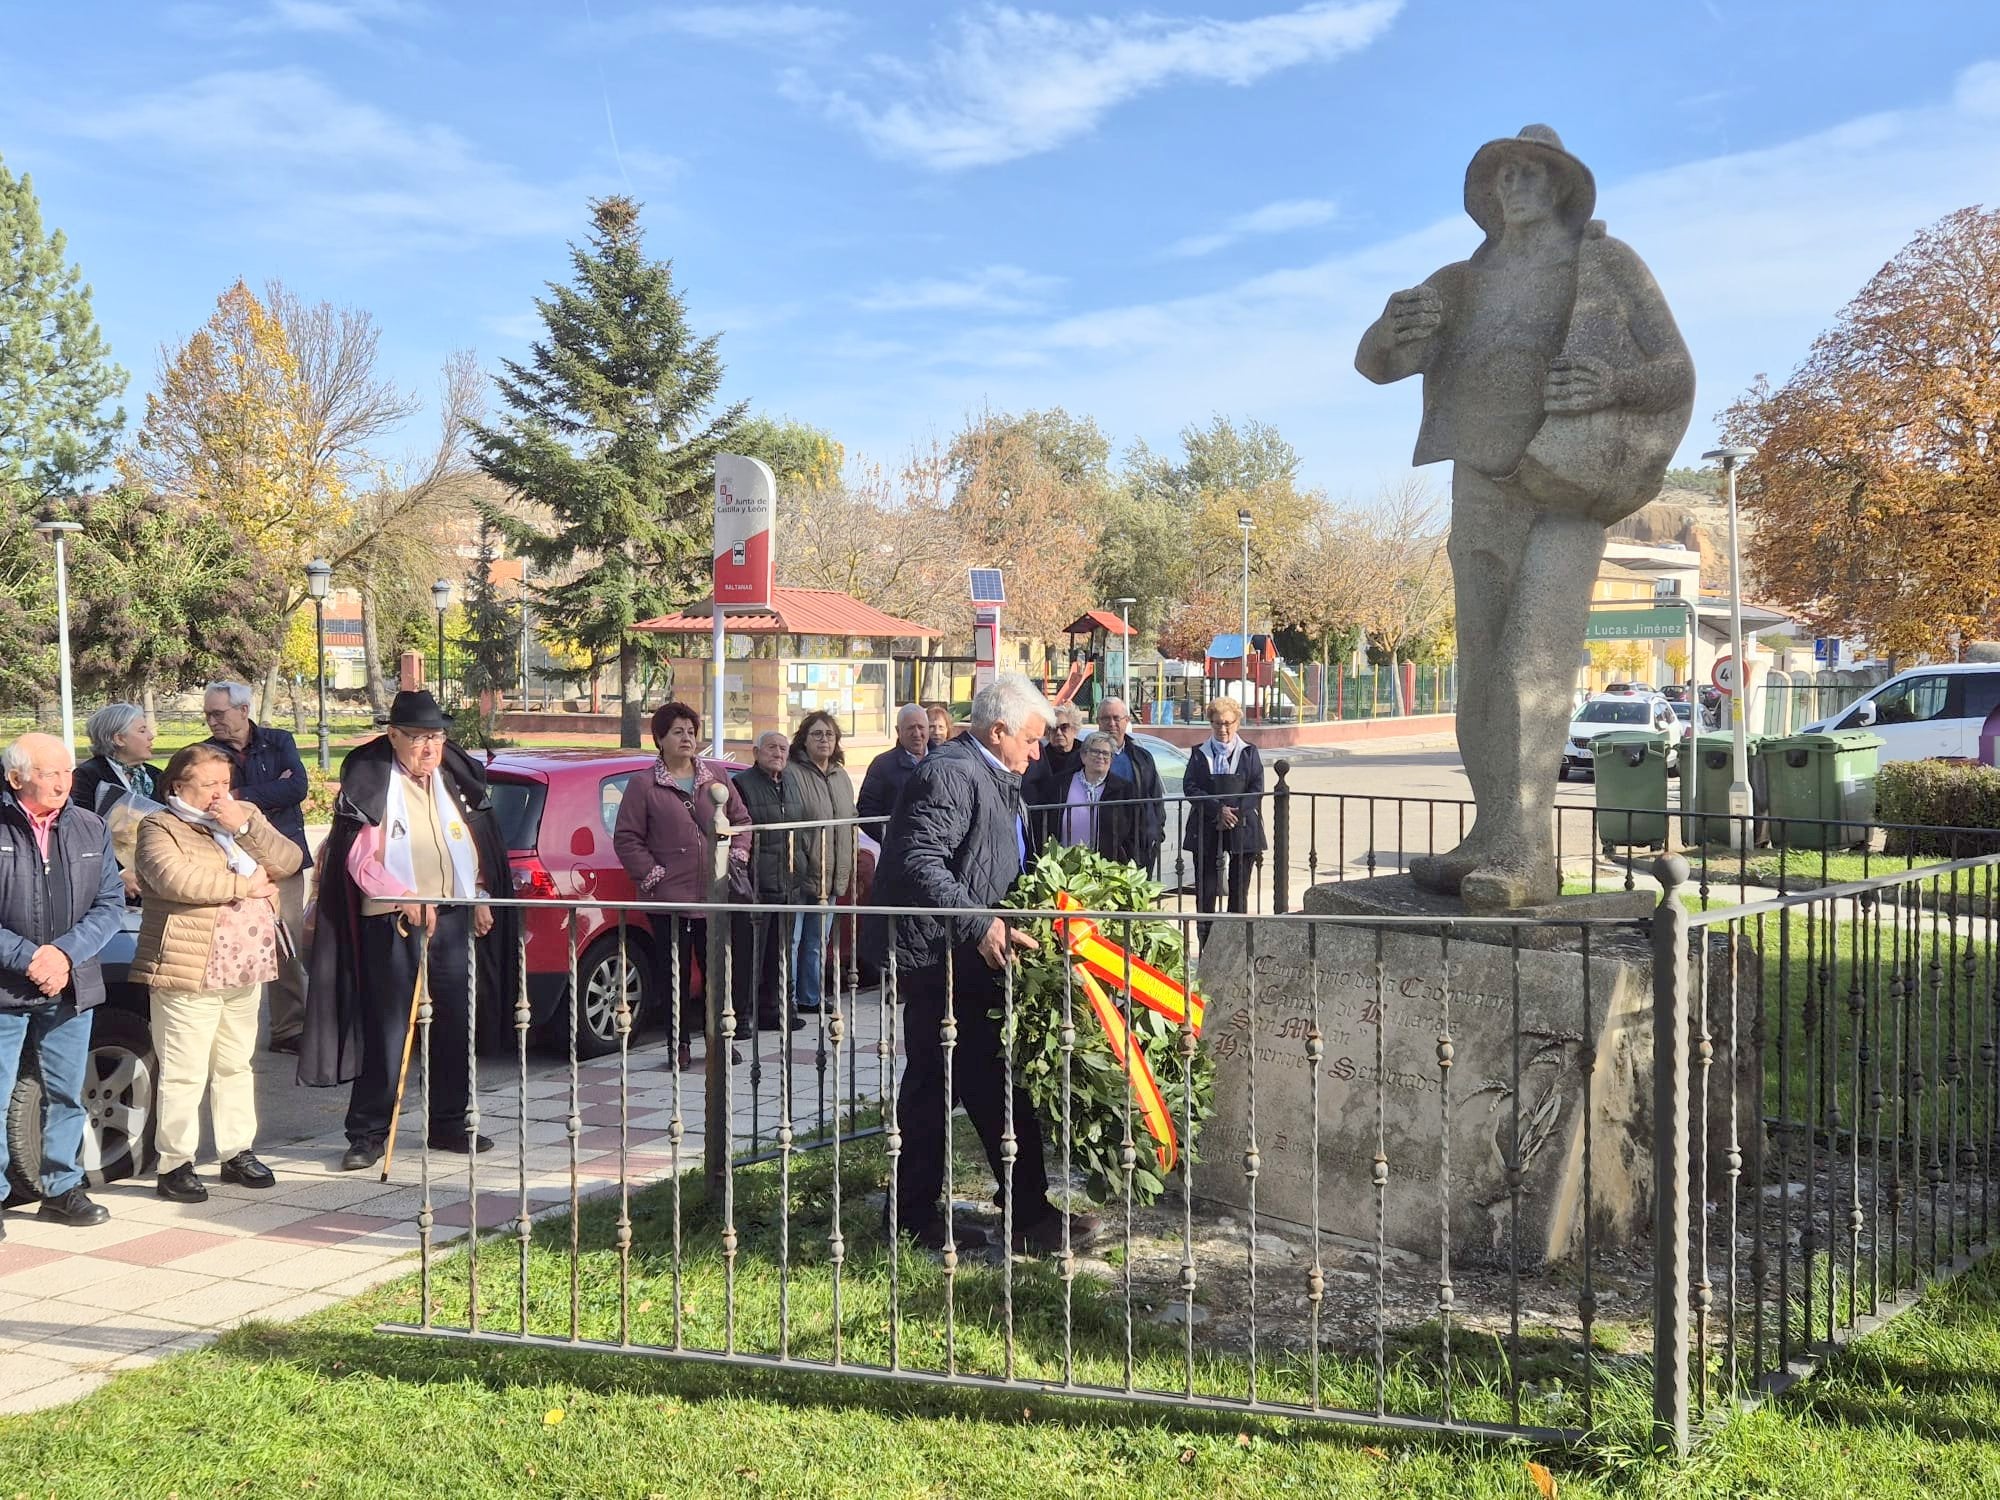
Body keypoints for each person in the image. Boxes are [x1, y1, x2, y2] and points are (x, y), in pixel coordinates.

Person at [1355, 125, 1692, 908]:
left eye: (1535, 172)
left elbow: (1675, 369)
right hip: (1478, 489)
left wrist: (1612, 384)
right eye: (1505, 173)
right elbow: (1376, 364)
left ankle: (1527, 850)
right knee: (1477, 678)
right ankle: (1490, 832)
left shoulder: (1605, 265)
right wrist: (1388, 328)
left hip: (1566, 489)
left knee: (1526, 669)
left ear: (1564, 186)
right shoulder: (1460, 282)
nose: (1518, 184)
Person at [865, 673, 1098, 1256]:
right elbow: (920, 860)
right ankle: (997, 1218)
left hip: (969, 956)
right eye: (1031, 739)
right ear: (998, 732)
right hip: (940, 959)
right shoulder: (949, 772)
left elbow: (995, 858)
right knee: (956, 1087)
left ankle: (959, 1215)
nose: (1038, 751)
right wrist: (982, 922)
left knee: (967, 1087)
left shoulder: (995, 773)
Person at [301, 691, 516, 1172]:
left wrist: (478, 893)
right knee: (389, 1028)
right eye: (418, 738)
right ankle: (368, 1132)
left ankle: (449, 1123)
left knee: (455, 1021)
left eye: (436, 737)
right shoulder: (371, 784)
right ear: (393, 736)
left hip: (453, 916)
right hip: (394, 921)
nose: (428, 748)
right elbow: (358, 860)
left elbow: (474, 844)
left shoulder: (452, 781)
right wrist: (406, 897)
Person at [130, 744, 301, 1202]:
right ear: (177, 785)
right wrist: (245, 885)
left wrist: (242, 826)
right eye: (208, 785)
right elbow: (174, 880)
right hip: (190, 968)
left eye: (224, 784)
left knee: (234, 1065)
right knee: (185, 1070)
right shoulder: (159, 826)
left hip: (247, 964)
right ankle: (175, 1163)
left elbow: (287, 860)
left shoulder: (239, 816)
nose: (218, 794)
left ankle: (236, 1152)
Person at [0, 733, 125, 1229]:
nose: (63, 781)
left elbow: (110, 903)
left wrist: (64, 956)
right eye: (50, 772)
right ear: (16, 778)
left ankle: (62, 1188)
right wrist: (31, 958)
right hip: (6, 987)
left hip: (70, 986)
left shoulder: (89, 826)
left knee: (68, 1093)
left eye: (67, 771)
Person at [612, 702, 752, 1072]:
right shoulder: (644, 785)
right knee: (673, 974)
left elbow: (741, 820)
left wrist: (736, 857)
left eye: (691, 731)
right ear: (659, 739)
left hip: (714, 897)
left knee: (716, 974)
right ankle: (679, 1044)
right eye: (677, 732)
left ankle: (717, 1042)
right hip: (669, 900)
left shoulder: (716, 776)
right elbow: (627, 838)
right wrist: (654, 875)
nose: (687, 738)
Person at [201, 681, 312, 1055]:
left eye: (218, 713)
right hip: (233, 862)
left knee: (288, 943)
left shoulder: (278, 741)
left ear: (243, 710)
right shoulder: (203, 754)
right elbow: (203, 802)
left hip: (282, 856)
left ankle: (289, 1028)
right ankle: (228, 1034)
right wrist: (269, 791)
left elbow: (297, 787)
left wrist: (237, 797)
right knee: (232, 943)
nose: (212, 721)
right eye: (208, 714)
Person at [731, 731, 808, 1034]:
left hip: (787, 880)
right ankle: (739, 1017)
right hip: (755, 883)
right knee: (749, 954)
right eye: (771, 747)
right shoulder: (743, 784)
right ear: (756, 751)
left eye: (783, 748)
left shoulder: (791, 782)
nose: (778, 753)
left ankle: (773, 1010)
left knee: (779, 952)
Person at [787, 711, 857, 1014]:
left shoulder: (841, 776)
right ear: (804, 739)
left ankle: (810, 996)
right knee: (793, 940)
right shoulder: (792, 772)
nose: (824, 740)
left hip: (832, 873)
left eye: (829, 734)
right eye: (817, 734)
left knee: (819, 940)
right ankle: (787, 998)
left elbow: (851, 821)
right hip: (801, 871)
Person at [1183, 697, 1266, 926]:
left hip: (1242, 828)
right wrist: (1218, 810)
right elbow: (1190, 787)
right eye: (1218, 723)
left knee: (1239, 892)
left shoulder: (1249, 752)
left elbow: (1256, 788)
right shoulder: (1199, 753)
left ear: (1237, 723)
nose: (1223, 728)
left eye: (1228, 723)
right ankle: (1206, 943)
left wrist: (1233, 815)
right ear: (1211, 724)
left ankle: (1235, 943)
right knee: (1206, 892)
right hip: (1207, 827)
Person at [1095, 697, 1166, 876]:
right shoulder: (1086, 755)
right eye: (1105, 718)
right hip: (1100, 842)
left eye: (1116, 718)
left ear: (1127, 721)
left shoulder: (1142, 757)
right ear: (1098, 722)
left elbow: (1155, 797)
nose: (1111, 723)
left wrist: (1156, 833)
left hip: (1138, 843)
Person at [1056, 732, 1140, 864]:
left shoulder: (1124, 789)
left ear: (1111, 760)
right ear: (1083, 756)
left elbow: (1133, 830)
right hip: (1065, 864)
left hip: (1107, 866)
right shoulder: (1060, 785)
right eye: (1095, 752)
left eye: (1106, 753)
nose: (1101, 756)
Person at [71, 704, 160, 815]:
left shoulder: (157, 775)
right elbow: (82, 821)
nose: (151, 736)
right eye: (142, 731)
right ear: (119, 739)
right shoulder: (87, 776)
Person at [1020, 702, 1085, 852]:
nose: (1059, 733)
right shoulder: (1037, 755)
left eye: (1064, 727)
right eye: (1053, 728)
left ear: (1075, 729)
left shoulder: (1086, 755)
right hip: (1043, 829)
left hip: (1077, 829)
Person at [856, 704, 928, 824]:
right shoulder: (881, 766)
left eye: (921, 727)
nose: (916, 733)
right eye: (910, 728)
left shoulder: (944, 761)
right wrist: (891, 838)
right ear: (898, 731)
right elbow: (866, 812)